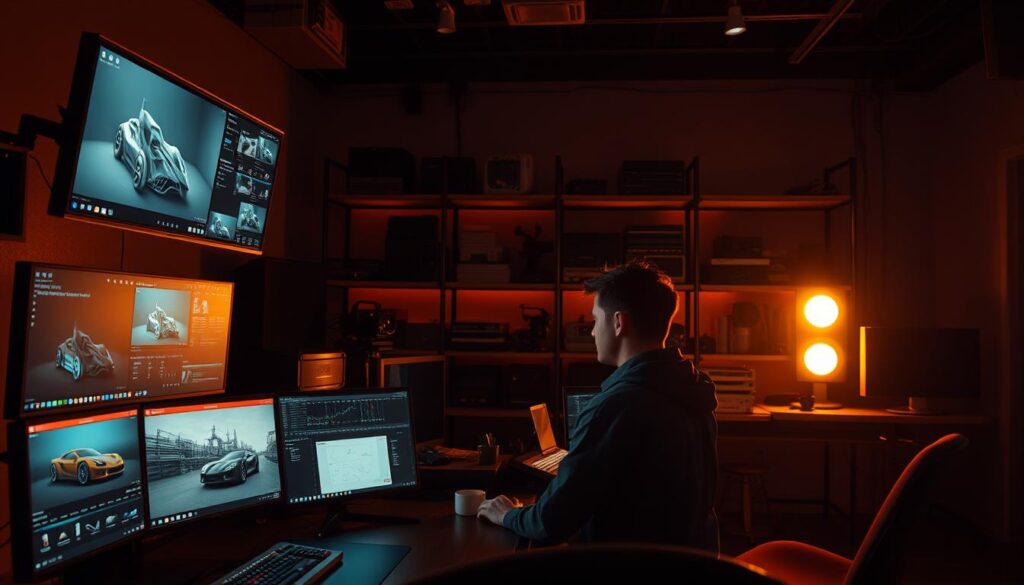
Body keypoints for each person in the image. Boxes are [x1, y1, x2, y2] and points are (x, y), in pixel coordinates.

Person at [477, 260, 719, 551]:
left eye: (595, 320)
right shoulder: (694, 391)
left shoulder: (613, 407)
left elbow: (550, 523)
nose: (592, 332)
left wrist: (507, 514)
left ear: (618, 322)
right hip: (693, 566)